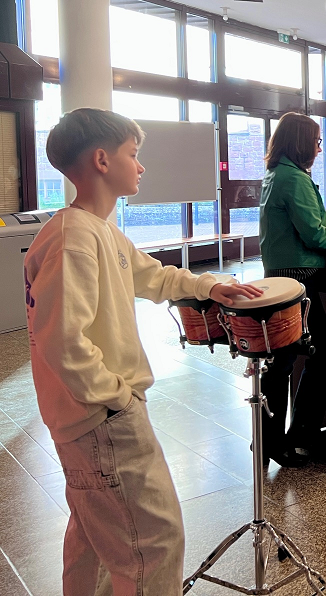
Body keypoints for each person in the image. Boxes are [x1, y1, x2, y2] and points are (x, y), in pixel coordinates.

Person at [24, 108, 263, 595]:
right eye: (133, 154)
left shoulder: (92, 229)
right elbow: (62, 342)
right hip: (102, 419)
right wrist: (117, 398)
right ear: (101, 160)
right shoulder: (75, 237)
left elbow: (152, 276)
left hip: (89, 418)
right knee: (152, 544)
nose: (141, 166)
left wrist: (209, 286)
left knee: (96, 540)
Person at [259, 112, 326, 466]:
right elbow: (315, 238)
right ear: (301, 143)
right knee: (318, 354)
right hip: (299, 281)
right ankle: (296, 437)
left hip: (279, 276)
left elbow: (297, 218)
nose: (319, 148)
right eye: (316, 141)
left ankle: (270, 440)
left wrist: (321, 217)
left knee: (282, 360)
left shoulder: (276, 174)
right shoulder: (294, 178)